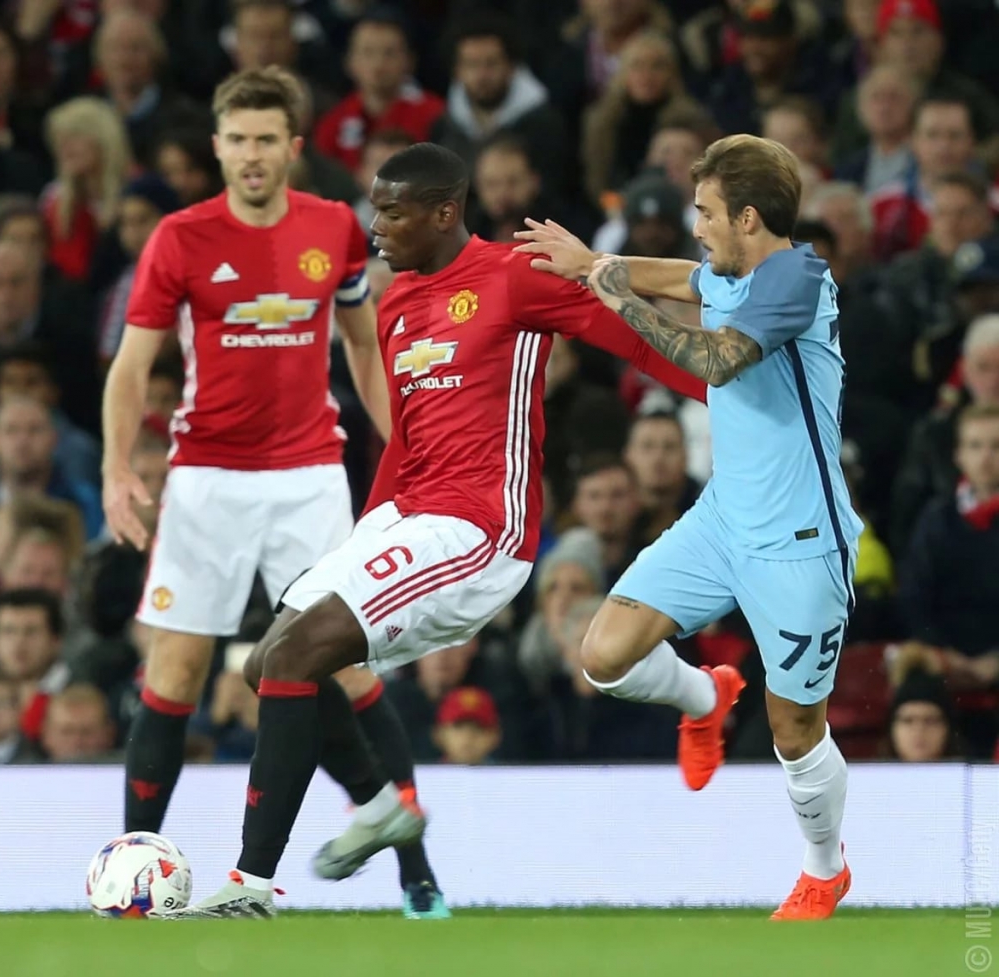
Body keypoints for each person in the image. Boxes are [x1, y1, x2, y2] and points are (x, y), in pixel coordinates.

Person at [174, 141, 707, 918]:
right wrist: (363, 543)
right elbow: (406, 440)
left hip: (479, 528)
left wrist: (733, 399)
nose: (375, 225)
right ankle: (382, 805)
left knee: (295, 653)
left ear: (444, 211)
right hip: (407, 514)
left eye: (392, 211)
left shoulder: (516, 276)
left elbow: (632, 340)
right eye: (374, 207)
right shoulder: (395, 302)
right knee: (269, 664)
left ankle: (252, 885)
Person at [101, 67, 445, 918]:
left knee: (352, 673)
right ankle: (132, 875)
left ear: (292, 148)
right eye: (238, 140)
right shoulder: (181, 238)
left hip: (306, 478)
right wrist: (118, 469)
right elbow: (132, 365)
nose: (252, 156)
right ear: (217, 147)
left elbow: (365, 351)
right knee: (175, 673)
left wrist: (410, 447)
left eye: (267, 140)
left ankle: (418, 877)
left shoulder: (334, 228)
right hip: (207, 480)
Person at [513, 134, 861, 921]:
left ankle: (822, 867)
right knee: (601, 655)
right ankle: (705, 697)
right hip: (721, 521)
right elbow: (689, 277)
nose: (694, 227)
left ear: (746, 216)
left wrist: (617, 296)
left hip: (801, 544)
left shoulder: (797, 277)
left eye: (704, 213)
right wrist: (588, 262)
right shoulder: (738, 269)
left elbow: (716, 360)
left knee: (796, 729)